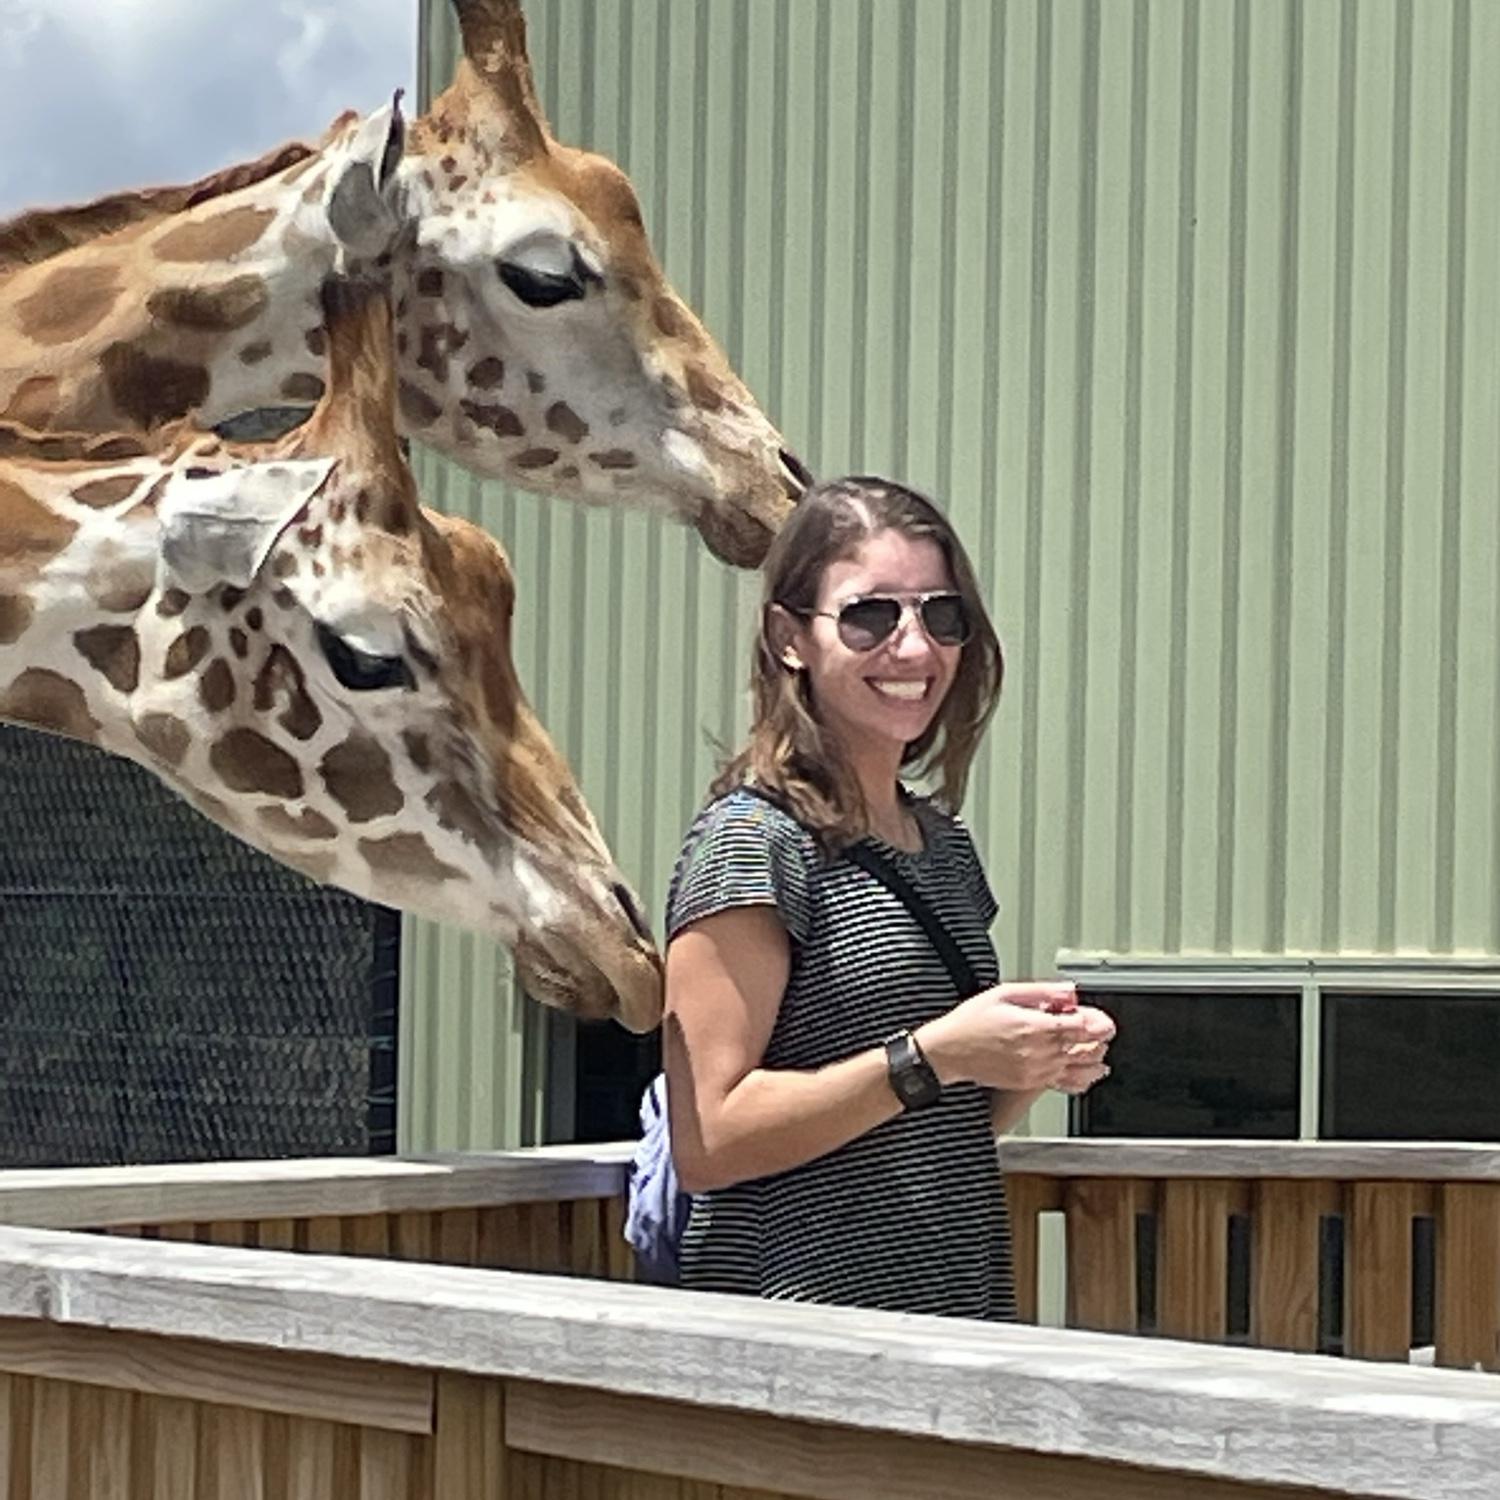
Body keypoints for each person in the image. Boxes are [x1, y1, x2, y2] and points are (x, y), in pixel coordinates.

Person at [661, 475, 1115, 1320]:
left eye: (942, 617)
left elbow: (926, 1127)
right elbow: (711, 1139)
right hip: (800, 1345)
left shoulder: (943, 846)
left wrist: (1023, 1066)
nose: (915, 649)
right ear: (788, 637)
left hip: (953, 1327)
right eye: (871, 615)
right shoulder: (751, 842)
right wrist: (934, 1054)